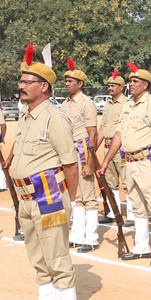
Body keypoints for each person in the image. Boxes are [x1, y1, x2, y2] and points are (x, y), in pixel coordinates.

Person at [10, 45, 82, 300]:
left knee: (57, 259)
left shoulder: (55, 118)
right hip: (26, 199)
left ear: (44, 87)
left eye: (27, 82)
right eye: (21, 81)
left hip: (49, 197)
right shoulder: (26, 117)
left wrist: (70, 201)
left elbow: (71, 164)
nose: (21, 85)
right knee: (38, 258)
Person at [98, 63, 151, 265]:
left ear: (145, 85)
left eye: (135, 81)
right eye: (130, 81)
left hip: (146, 161)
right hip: (130, 162)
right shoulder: (128, 105)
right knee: (137, 206)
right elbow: (119, 135)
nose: (131, 84)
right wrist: (105, 161)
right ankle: (142, 247)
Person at [63, 59, 101, 252]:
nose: (67, 84)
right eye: (66, 81)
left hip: (82, 150)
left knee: (88, 195)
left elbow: (92, 134)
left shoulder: (87, 104)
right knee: (76, 195)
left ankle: (92, 237)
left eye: (71, 81)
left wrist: (90, 161)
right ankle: (77, 235)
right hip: (69, 152)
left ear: (80, 84)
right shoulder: (64, 104)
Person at [97, 70, 126, 224]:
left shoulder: (127, 104)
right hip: (107, 146)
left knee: (127, 181)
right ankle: (114, 212)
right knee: (110, 181)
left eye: (113, 85)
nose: (110, 88)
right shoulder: (107, 105)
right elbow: (102, 128)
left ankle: (133, 215)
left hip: (121, 148)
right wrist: (93, 148)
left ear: (121, 87)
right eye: (109, 85)